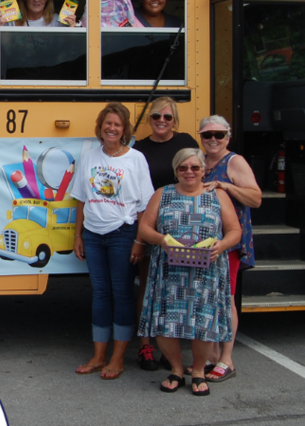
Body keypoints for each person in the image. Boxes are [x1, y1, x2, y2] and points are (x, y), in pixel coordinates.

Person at [137, 147, 241, 395]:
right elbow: (144, 229)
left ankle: (196, 370)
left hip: (207, 272)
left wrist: (222, 245)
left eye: (195, 167)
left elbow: (235, 231)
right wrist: (162, 240)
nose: (189, 172)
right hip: (169, 270)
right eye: (183, 167)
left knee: (203, 324)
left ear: (203, 169)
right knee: (166, 323)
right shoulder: (163, 194)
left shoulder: (217, 195)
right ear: (176, 171)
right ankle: (175, 369)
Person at [70, 102, 155, 379]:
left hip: (123, 233)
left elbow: (144, 204)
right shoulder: (90, 156)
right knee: (100, 295)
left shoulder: (136, 159)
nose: (112, 128)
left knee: (122, 294)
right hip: (93, 235)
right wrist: (78, 235)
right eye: (108, 123)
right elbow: (81, 198)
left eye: (117, 124)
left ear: (125, 129)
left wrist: (140, 241)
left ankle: (117, 358)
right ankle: (98, 355)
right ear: (100, 126)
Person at [132, 97, 200, 370]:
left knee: (180, 289)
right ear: (150, 119)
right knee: (149, 286)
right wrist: (139, 237)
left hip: (185, 226)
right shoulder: (140, 148)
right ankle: (146, 345)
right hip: (152, 224)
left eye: (168, 117)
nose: (162, 121)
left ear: (175, 121)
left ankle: (171, 348)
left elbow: (197, 176)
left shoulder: (186, 143)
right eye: (156, 116)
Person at [199, 115, 262, 382]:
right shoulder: (200, 162)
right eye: (207, 135)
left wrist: (226, 185)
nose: (213, 139)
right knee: (208, 298)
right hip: (203, 243)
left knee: (226, 299)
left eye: (219, 135)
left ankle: (227, 359)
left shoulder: (233, 162)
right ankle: (212, 355)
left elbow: (256, 197)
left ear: (228, 136)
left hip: (229, 243)